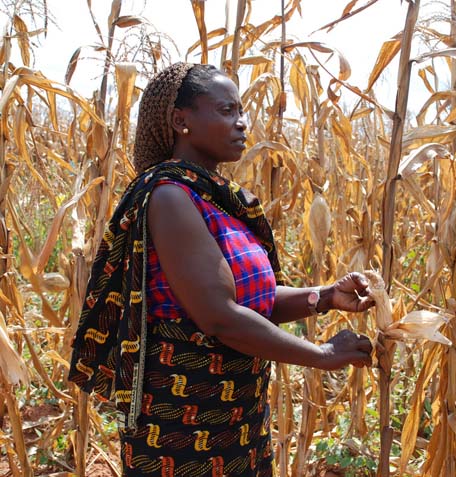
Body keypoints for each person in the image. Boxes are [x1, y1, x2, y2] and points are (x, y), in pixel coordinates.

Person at [68, 62, 374, 477]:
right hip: (181, 428)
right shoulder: (170, 197)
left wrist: (323, 297)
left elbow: (251, 302)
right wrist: (321, 355)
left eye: (241, 111)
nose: (242, 123)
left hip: (236, 419)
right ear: (181, 121)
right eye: (227, 111)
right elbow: (220, 317)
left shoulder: (218, 201)